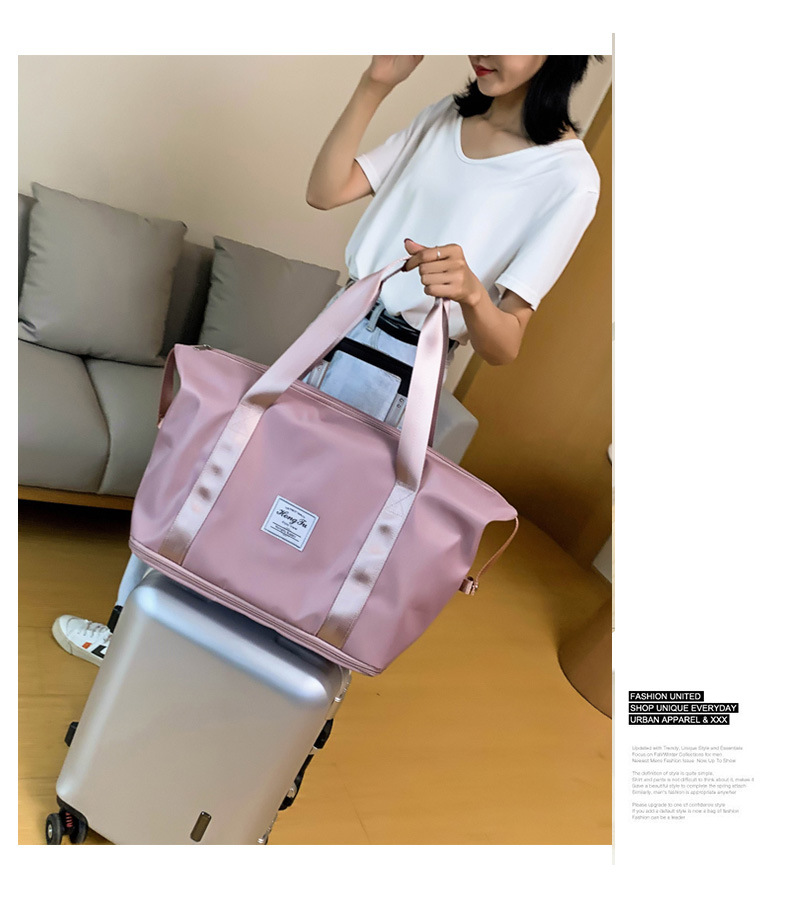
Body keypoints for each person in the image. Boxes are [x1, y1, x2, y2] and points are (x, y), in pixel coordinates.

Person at [52, 54, 603, 665]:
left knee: (310, 526)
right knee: (229, 474)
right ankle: (133, 633)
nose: (485, 46)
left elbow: (507, 343)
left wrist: (473, 293)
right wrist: (375, 84)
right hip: (338, 322)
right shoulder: (445, 118)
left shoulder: (569, 179)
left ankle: (231, 670)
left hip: (403, 369)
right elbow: (325, 192)